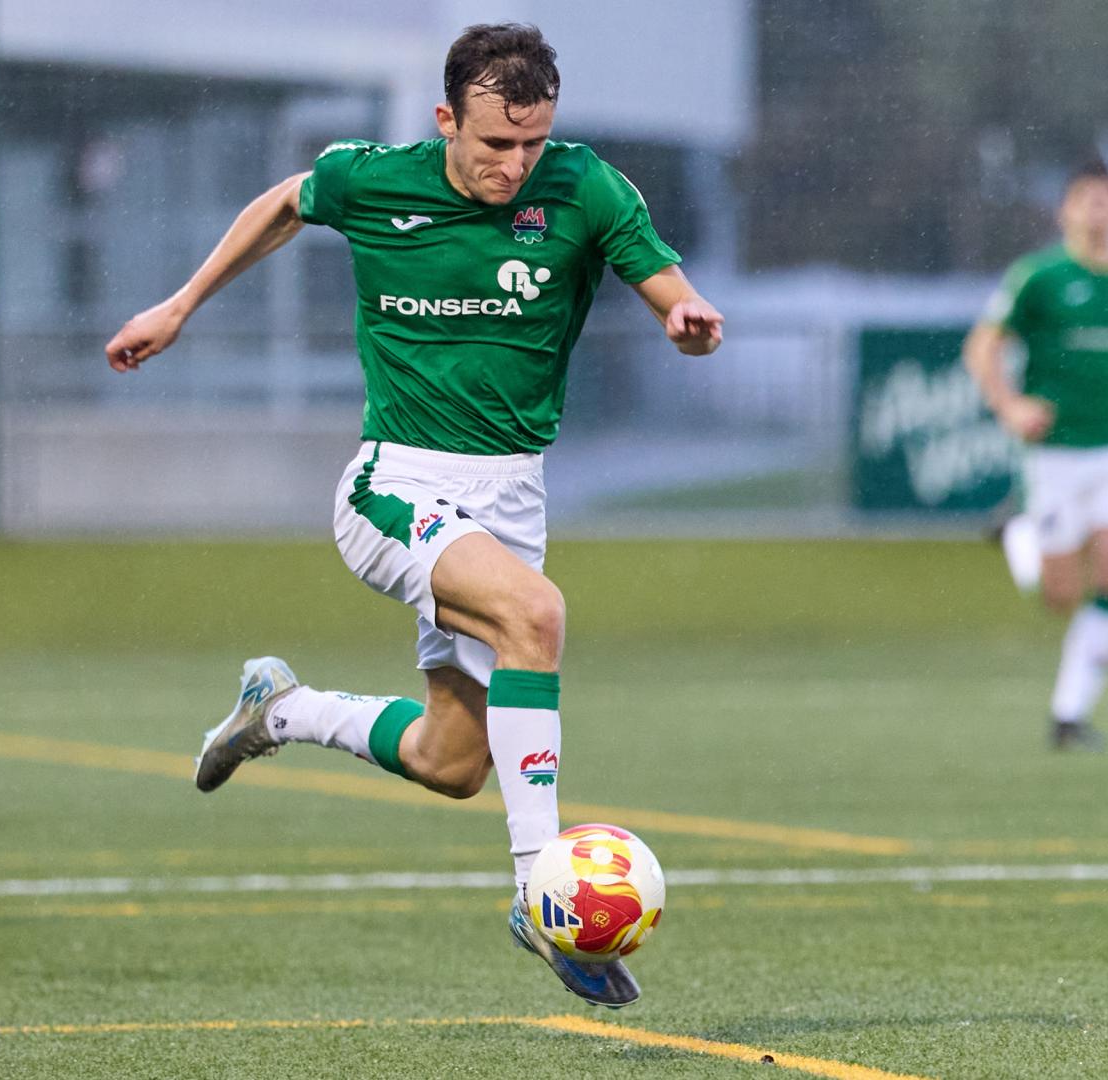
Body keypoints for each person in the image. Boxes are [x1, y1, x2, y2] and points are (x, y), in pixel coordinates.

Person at [103, 23, 721, 1008]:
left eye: (533, 142)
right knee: (539, 618)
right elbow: (284, 205)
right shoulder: (375, 179)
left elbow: (664, 280)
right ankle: (537, 897)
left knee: (454, 760)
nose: (516, 166)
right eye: (493, 146)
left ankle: (284, 709)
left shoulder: (585, 186)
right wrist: (179, 307)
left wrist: (683, 317)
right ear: (446, 120)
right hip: (395, 490)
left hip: (511, 501)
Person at [964, 160, 1108, 750]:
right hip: (1056, 453)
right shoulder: (1039, 277)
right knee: (1060, 597)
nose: (1098, 210)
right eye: (1087, 199)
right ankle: (1020, 532)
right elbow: (983, 345)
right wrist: (1008, 405)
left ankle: (1069, 716)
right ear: (1066, 209)